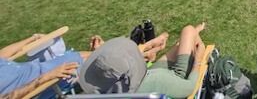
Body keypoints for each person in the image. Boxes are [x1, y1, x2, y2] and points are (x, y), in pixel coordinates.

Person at [79, 23, 207, 98]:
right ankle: (196, 36)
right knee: (188, 31)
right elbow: (189, 87)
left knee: (182, 43)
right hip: (171, 77)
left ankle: (194, 35)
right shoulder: (156, 83)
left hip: (149, 74)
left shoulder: (109, 89)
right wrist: (198, 60)